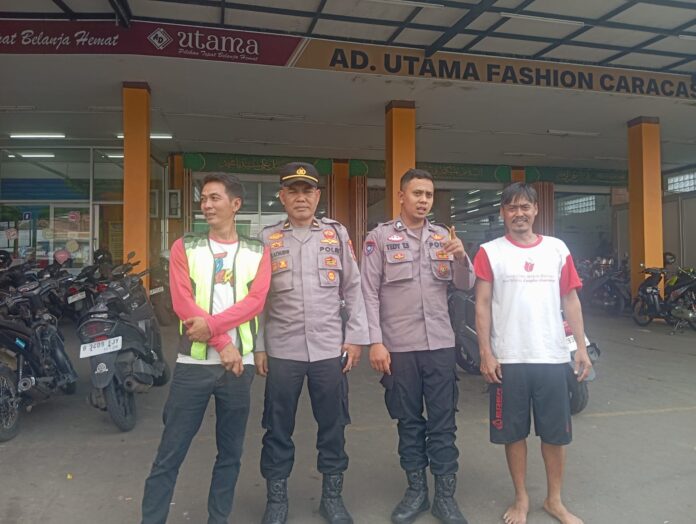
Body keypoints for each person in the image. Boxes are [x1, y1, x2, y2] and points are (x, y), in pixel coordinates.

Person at [141, 173, 271, 524]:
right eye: (204, 199)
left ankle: (218, 518)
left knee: (230, 454)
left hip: (238, 368)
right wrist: (222, 343)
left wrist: (217, 333)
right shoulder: (185, 247)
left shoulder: (258, 251)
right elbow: (183, 303)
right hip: (193, 365)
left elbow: (255, 302)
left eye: (215, 198)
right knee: (170, 453)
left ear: (236, 204)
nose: (207, 205)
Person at [255, 162, 369, 524]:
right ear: (282, 197)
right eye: (293, 191)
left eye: (308, 191)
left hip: (328, 349)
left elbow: (353, 287)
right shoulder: (267, 239)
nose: (301, 197)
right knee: (277, 427)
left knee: (333, 426)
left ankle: (331, 498)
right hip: (282, 349)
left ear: (318, 196)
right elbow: (257, 298)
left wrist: (355, 338)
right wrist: (259, 345)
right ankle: (276, 500)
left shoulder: (335, 234)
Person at [473, 182, 592, 524]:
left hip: (552, 356)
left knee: (555, 434)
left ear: (536, 210)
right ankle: (521, 498)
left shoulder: (557, 249)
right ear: (503, 213)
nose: (519, 213)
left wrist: (580, 348)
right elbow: (482, 304)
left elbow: (571, 299)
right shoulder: (489, 252)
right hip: (508, 358)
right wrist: (486, 352)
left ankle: (554, 500)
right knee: (513, 433)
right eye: (512, 207)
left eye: (525, 207)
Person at [361, 168, 475, 524]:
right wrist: (375, 342)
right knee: (409, 422)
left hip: (439, 345)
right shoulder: (380, 238)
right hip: (398, 347)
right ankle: (416, 492)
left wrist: (461, 257)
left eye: (428, 195)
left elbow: (465, 284)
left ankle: (444, 497)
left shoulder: (444, 237)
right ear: (401, 196)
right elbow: (367, 292)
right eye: (417, 193)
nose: (423, 200)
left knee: (443, 422)